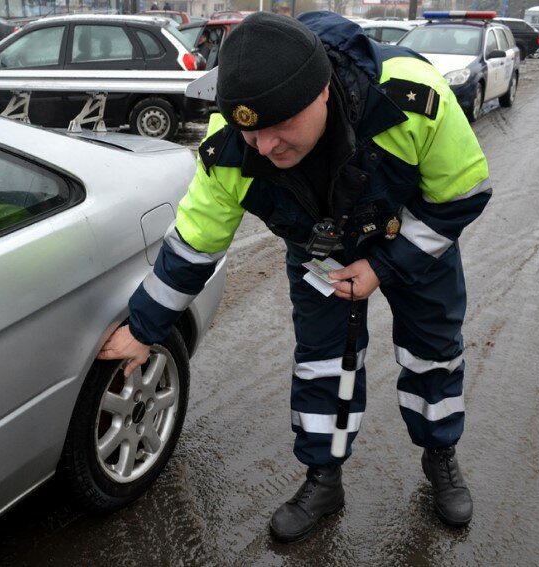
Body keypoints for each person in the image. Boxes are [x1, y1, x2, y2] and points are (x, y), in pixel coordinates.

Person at [98, 11, 490, 543]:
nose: (266, 148)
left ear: (323, 92)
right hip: (320, 251)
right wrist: (142, 329)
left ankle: (439, 454)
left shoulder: (407, 96)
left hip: (413, 240)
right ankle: (323, 477)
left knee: (433, 351)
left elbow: (462, 194)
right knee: (322, 362)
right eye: (251, 131)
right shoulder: (230, 147)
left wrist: (382, 266)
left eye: (280, 126)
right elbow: (195, 242)